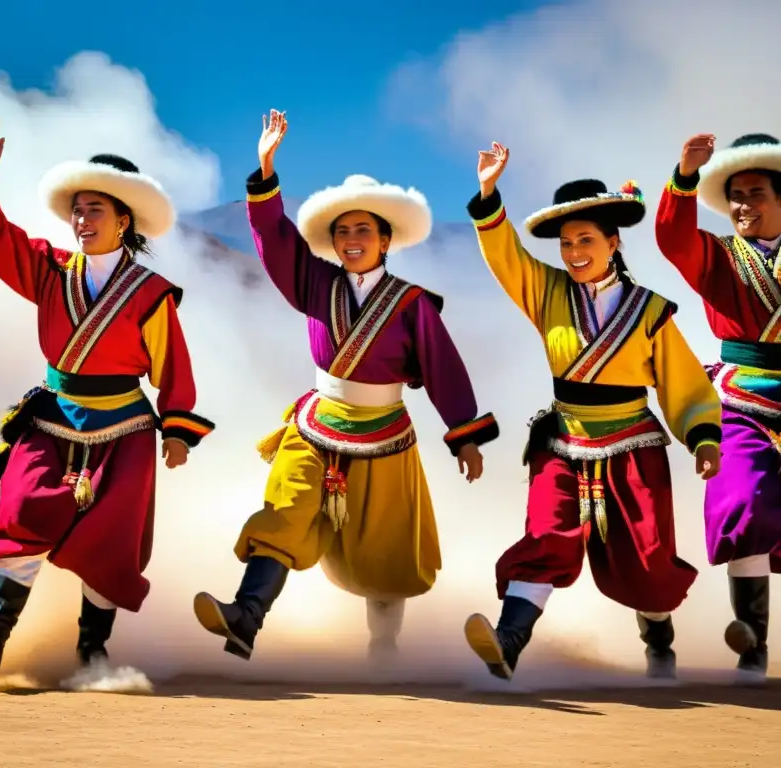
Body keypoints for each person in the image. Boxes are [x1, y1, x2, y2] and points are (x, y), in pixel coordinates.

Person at [192, 109, 499, 661]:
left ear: (386, 239)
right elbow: (273, 239)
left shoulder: (413, 305)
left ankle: (384, 646)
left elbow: (443, 368)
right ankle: (246, 616)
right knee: (283, 508)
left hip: (386, 433)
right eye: (342, 231)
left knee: (384, 544)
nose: (352, 238)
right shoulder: (315, 283)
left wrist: (465, 433)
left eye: (363, 229)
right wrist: (265, 169)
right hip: (316, 423)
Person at [0, 120, 214, 677]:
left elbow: (172, 366)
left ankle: (93, 652)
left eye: (95, 210)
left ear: (123, 221)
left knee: (110, 541)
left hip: (127, 427)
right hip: (52, 415)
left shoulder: (151, 294)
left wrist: (179, 430)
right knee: (21, 510)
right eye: (78, 210)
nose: (82, 220)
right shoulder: (48, 267)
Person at [463, 142, 722, 681]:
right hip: (562, 441)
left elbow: (683, 379)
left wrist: (702, 436)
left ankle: (658, 636)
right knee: (546, 537)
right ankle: (508, 642)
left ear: (613, 242)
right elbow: (506, 257)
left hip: (633, 443)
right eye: (566, 243)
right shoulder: (547, 292)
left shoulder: (649, 310)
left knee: (648, 563)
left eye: (586, 240)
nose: (574, 251)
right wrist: (489, 194)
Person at [654, 132, 781, 679]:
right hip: (740, 397)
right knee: (743, 501)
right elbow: (671, 237)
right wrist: (684, 175)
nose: (743, 206)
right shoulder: (718, 257)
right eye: (735, 196)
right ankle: (752, 643)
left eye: (756, 194)